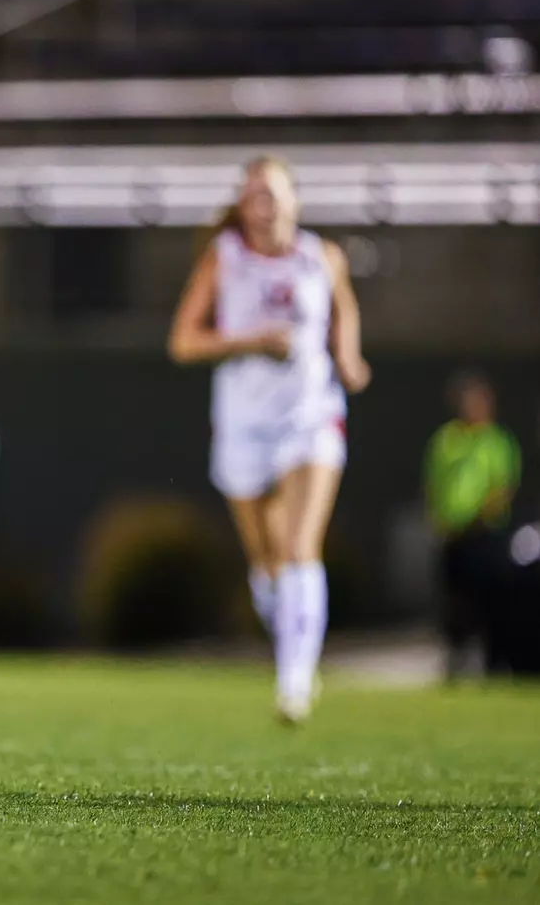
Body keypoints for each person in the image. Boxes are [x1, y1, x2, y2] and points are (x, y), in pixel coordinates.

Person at [169, 156, 370, 725]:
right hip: (243, 425)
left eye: (275, 192)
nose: (266, 203)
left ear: (294, 201)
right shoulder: (224, 259)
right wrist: (252, 341)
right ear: (243, 204)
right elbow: (184, 341)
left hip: (311, 416)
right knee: (266, 562)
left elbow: (344, 309)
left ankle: (294, 683)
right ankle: (290, 638)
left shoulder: (322, 256)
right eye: (254, 193)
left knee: (300, 546)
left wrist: (348, 356)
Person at [424, 369, 522, 679]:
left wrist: (479, 518)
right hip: (452, 535)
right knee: (455, 600)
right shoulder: (447, 439)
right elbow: (433, 483)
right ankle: (456, 660)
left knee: (490, 600)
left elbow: (503, 486)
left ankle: (494, 663)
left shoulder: (496, 442)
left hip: (485, 535)